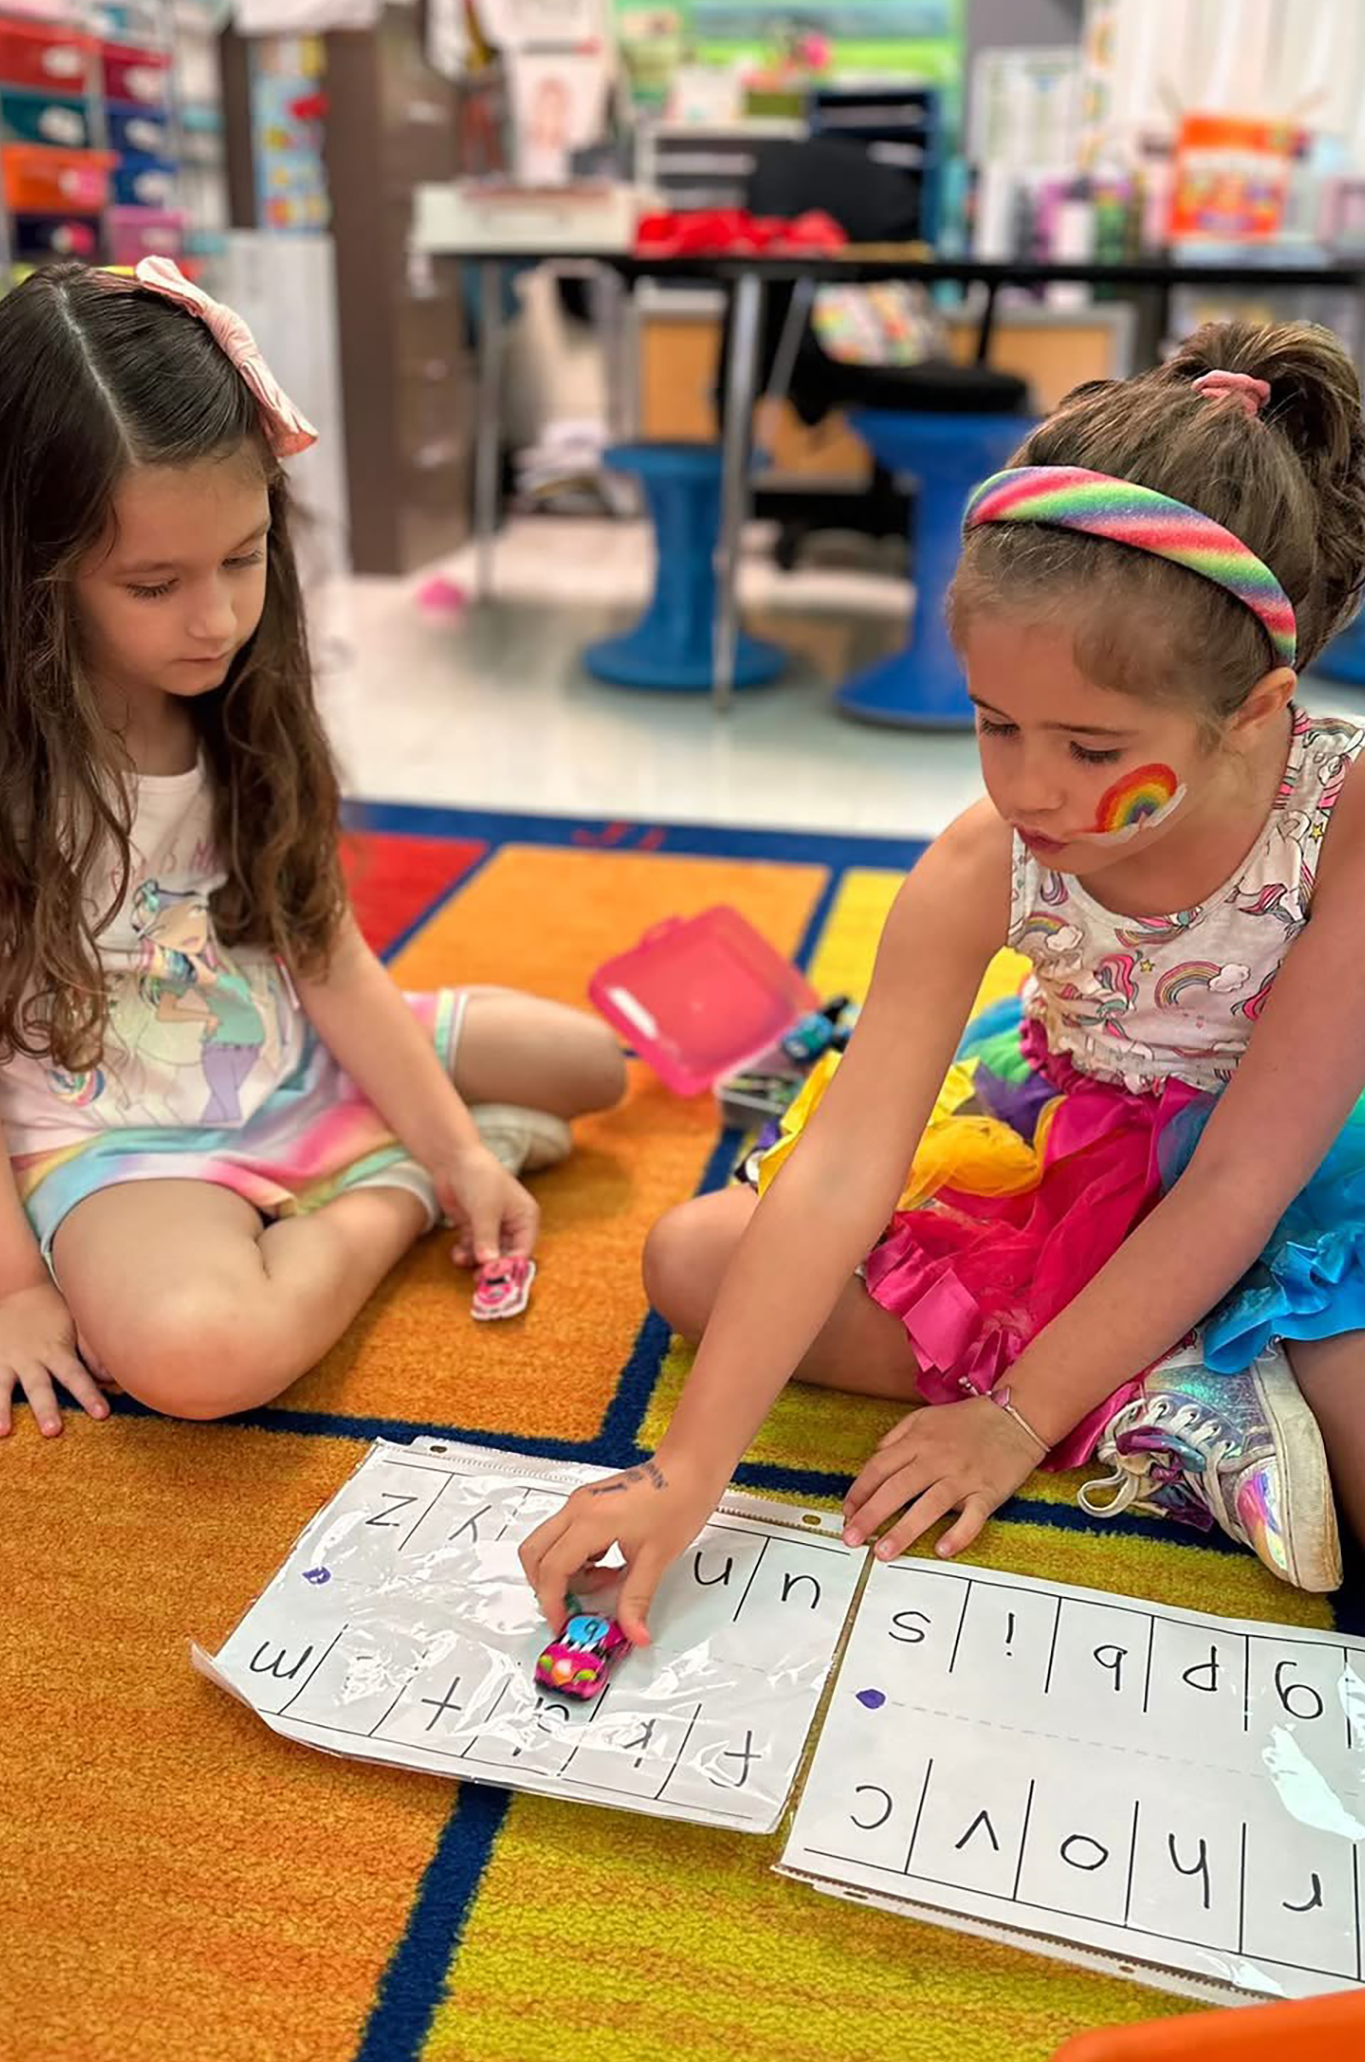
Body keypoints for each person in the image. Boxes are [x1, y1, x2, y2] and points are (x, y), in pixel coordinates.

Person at [522, 318, 1365, 1641]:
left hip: (1300, 1178)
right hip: (1078, 1143)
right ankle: (1170, 1390)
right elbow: (849, 1160)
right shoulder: (986, 858)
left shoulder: (1343, 823)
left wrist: (1012, 1420)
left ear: (1252, 710)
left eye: (1090, 746)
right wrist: (686, 1471)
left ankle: (1154, 1378)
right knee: (694, 1260)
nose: (1028, 787)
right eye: (992, 723)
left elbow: (1242, 1184)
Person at [0, 260, 625, 1438]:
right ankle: (384, 1195)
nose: (217, 620)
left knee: (594, 1066)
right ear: (28, 570)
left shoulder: (241, 703)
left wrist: (460, 1151)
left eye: (242, 559)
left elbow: (322, 949)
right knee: (200, 1355)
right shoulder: (10, 764)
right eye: (153, 583)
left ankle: (419, 1147)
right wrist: (15, 1288)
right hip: (116, 1126)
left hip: (285, 1038)